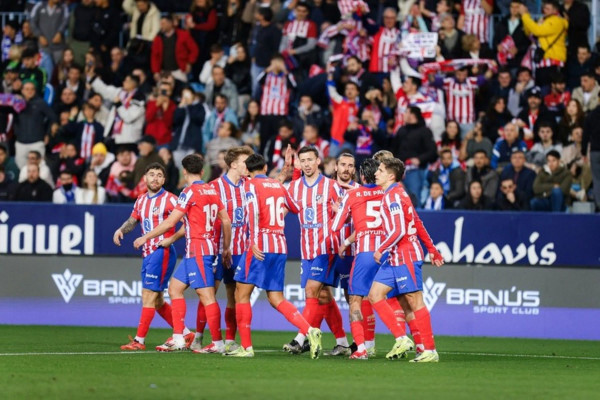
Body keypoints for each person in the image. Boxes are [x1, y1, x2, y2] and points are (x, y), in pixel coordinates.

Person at [133, 154, 231, 353]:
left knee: (207, 296)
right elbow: (226, 220)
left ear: (184, 172)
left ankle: (219, 343)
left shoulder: (188, 192)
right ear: (202, 171)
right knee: (174, 289)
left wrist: (145, 237)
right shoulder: (212, 190)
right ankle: (179, 337)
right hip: (194, 250)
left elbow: (170, 222)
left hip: (200, 250)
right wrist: (226, 247)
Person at [229, 153, 322, 358]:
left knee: (241, 294)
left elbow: (253, 211)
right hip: (280, 245)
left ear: (248, 171)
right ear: (264, 168)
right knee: (276, 298)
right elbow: (296, 207)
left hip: (260, 245)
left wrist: (253, 241)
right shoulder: (278, 186)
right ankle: (310, 330)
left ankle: (246, 347)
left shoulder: (250, 186)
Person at [369, 157, 444, 363]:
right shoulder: (398, 192)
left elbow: (399, 229)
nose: (376, 173)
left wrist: (381, 249)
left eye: (381, 170)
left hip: (405, 255)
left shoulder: (392, 196)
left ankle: (430, 350)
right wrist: (432, 248)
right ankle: (402, 339)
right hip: (394, 257)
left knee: (414, 301)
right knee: (375, 295)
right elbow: (417, 221)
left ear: (391, 176)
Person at [114, 162, 192, 350]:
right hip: (147, 253)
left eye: (159, 175)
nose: (155, 178)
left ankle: (139, 341)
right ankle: (186, 332)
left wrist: (170, 239)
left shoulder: (171, 199)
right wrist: (121, 229)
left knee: (148, 295)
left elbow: (187, 223)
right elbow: (133, 220)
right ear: (145, 178)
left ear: (164, 180)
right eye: (151, 174)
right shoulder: (141, 200)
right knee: (157, 301)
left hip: (161, 252)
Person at [284, 146, 348, 355]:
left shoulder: (332, 186)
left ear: (318, 161)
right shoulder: (294, 187)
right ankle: (343, 343)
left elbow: (347, 209)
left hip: (326, 247)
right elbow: (283, 207)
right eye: (303, 161)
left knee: (311, 290)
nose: (307, 164)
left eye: (310, 160)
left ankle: (301, 337)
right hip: (307, 250)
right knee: (323, 296)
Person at [191, 146, 254, 352]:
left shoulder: (250, 185)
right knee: (209, 291)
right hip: (218, 249)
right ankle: (198, 337)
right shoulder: (214, 187)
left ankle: (229, 340)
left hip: (241, 250)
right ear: (234, 164)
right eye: (247, 161)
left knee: (233, 295)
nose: (250, 166)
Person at [330, 158, 384, 359]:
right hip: (387, 252)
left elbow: (336, 225)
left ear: (361, 175)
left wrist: (342, 211)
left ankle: (360, 348)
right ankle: (416, 343)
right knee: (398, 299)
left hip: (364, 254)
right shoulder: (387, 193)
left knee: (355, 299)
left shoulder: (354, 194)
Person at [387, 106, 437, 204]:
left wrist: (419, 159)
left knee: (414, 198)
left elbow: (433, 152)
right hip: (398, 172)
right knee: (395, 198)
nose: (404, 114)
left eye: (406, 112)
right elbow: (393, 149)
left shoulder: (424, 131)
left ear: (412, 115)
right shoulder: (401, 130)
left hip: (415, 171)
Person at [519, 1, 568, 87]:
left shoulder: (557, 21)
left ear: (555, 10)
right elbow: (530, 33)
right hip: (542, 60)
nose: (545, 11)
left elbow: (538, 31)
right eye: (544, 8)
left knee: (549, 89)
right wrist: (527, 15)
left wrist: (524, 15)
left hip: (553, 61)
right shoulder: (544, 20)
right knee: (541, 89)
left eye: (548, 9)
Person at [89, 72, 146, 145]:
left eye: (126, 81)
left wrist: (119, 104)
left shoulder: (139, 98)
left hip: (128, 140)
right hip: (112, 137)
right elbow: (105, 90)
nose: (123, 82)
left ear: (133, 84)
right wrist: (92, 77)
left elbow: (129, 117)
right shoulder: (120, 92)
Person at [256, 55, 296, 154]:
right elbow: (258, 80)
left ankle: (275, 160)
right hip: (266, 114)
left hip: (280, 115)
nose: (276, 65)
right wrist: (269, 69)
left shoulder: (286, 76)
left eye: (279, 62)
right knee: (263, 139)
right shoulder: (266, 76)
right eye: (274, 62)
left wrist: (284, 69)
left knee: (277, 140)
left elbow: (294, 85)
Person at [13, 81, 57, 169]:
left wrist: (48, 134)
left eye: (32, 89)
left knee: (40, 168)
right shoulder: (16, 103)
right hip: (20, 142)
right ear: (22, 90)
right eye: (27, 89)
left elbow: (53, 118)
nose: (29, 91)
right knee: (21, 169)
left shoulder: (41, 103)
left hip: (37, 142)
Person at [150, 15, 199, 83]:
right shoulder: (158, 38)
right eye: (160, 24)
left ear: (170, 23)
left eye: (163, 23)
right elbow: (154, 56)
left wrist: (189, 62)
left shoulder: (183, 35)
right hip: (163, 71)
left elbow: (194, 50)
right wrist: (155, 71)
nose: (161, 26)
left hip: (179, 70)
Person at [170, 88, 205, 166]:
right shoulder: (182, 107)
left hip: (192, 144)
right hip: (179, 143)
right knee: (178, 168)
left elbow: (198, 120)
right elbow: (175, 121)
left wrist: (190, 106)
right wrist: (180, 108)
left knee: (189, 167)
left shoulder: (199, 106)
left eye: (187, 94)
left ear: (193, 95)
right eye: (183, 95)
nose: (185, 97)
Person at [30, 0, 70, 65]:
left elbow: (66, 20)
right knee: (45, 70)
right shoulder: (39, 6)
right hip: (44, 47)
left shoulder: (63, 7)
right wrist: (39, 35)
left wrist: (60, 32)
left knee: (58, 69)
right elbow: (32, 22)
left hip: (58, 47)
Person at [145, 81, 176, 146]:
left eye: (167, 90)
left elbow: (168, 124)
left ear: (171, 92)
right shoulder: (152, 102)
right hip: (150, 139)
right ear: (158, 91)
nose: (164, 92)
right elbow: (148, 118)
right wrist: (156, 105)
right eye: (162, 90)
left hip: (165, 140)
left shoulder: (173, 105)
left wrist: (166, 109)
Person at [583, 100, 600, 210]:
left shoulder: (591, 114)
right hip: (595, 151)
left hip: (595, 151)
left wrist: (583, 151)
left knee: (597, 179)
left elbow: (586, 136)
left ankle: (599, 205)